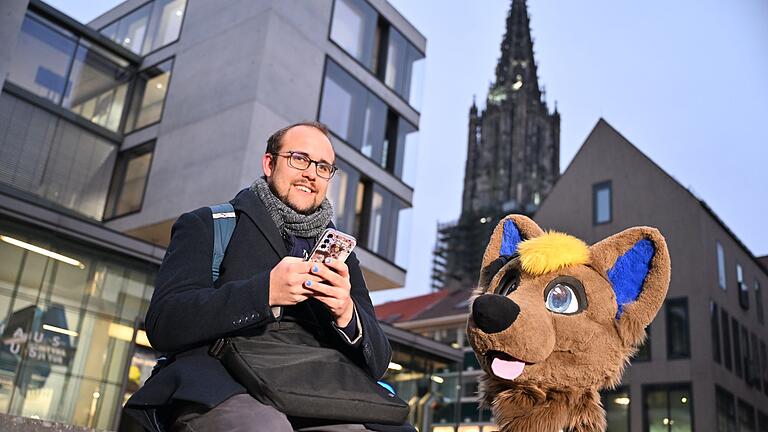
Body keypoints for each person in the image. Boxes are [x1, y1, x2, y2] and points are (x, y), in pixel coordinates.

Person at [124, 122, 399, 432]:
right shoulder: (208, 224)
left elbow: (379, 362)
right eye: (299, 158)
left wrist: (347, 313)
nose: (311, 173)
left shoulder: (343, 257)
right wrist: (264, 292)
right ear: (269, 163)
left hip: (319, 393)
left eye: (323, 167)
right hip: (227, 385)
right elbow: (165, 324)